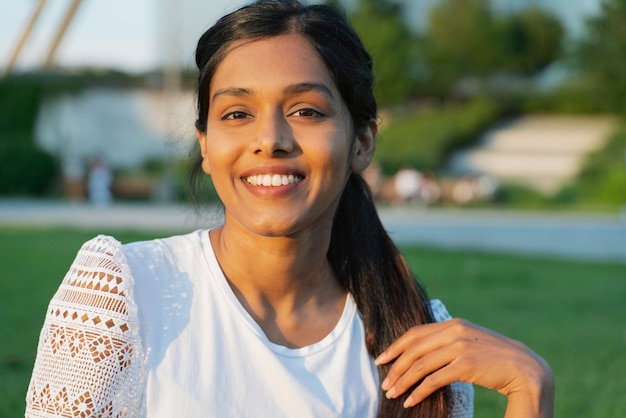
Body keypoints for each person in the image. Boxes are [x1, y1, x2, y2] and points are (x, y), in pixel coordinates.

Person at [25, 1, 554, 417]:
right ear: (205, 146)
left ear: (362, 142)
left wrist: (530, 387)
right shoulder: (122, 296)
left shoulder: (418, 340)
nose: (270, 139)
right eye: (236, 113)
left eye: (306, 110)